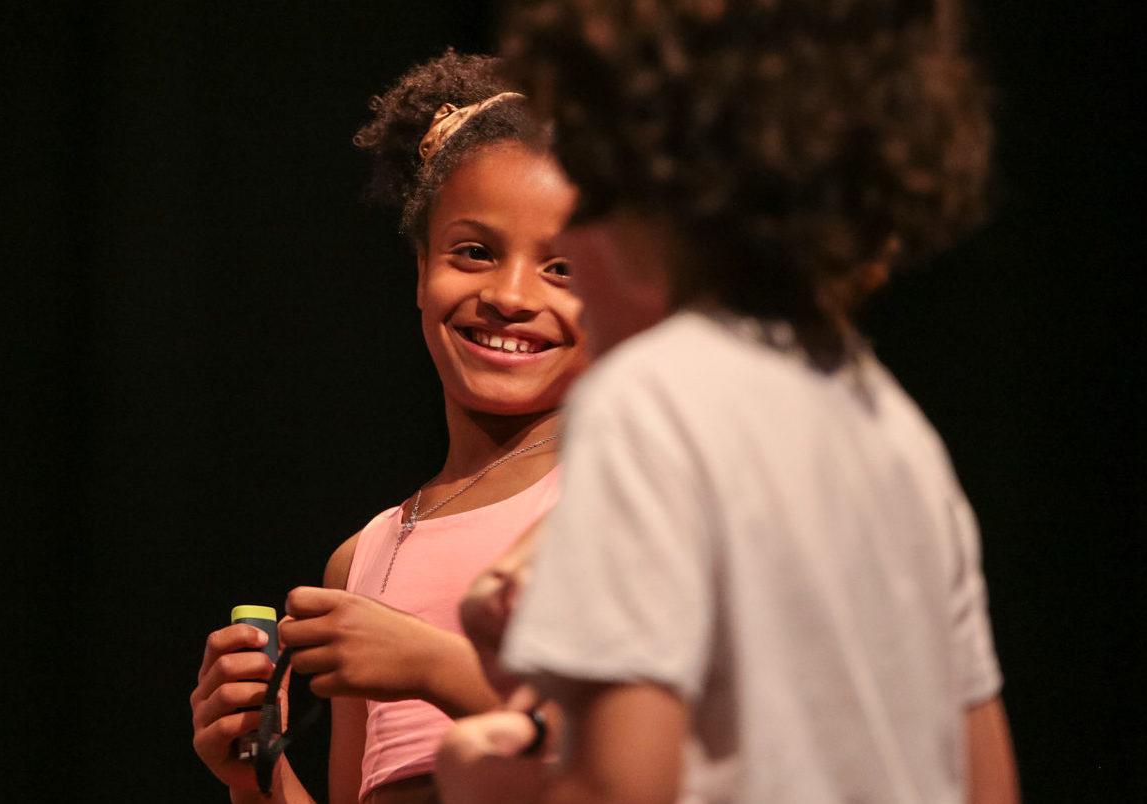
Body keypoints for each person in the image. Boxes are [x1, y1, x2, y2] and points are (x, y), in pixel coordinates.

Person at [435, 1, 1019, 802]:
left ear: (646, 179)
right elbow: (987, 784)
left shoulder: (650, 402)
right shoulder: (893, 429)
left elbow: (621, 790)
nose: (569, 238)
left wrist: (489, 782)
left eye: (589, 186)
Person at [188, 51, 590, 804]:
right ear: (420, 268)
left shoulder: (621, 501)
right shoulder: (363, 556)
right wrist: (258, 778)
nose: (509, 295)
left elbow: (656, 759)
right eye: (474, 252)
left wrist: (435, 667)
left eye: (562, 268)